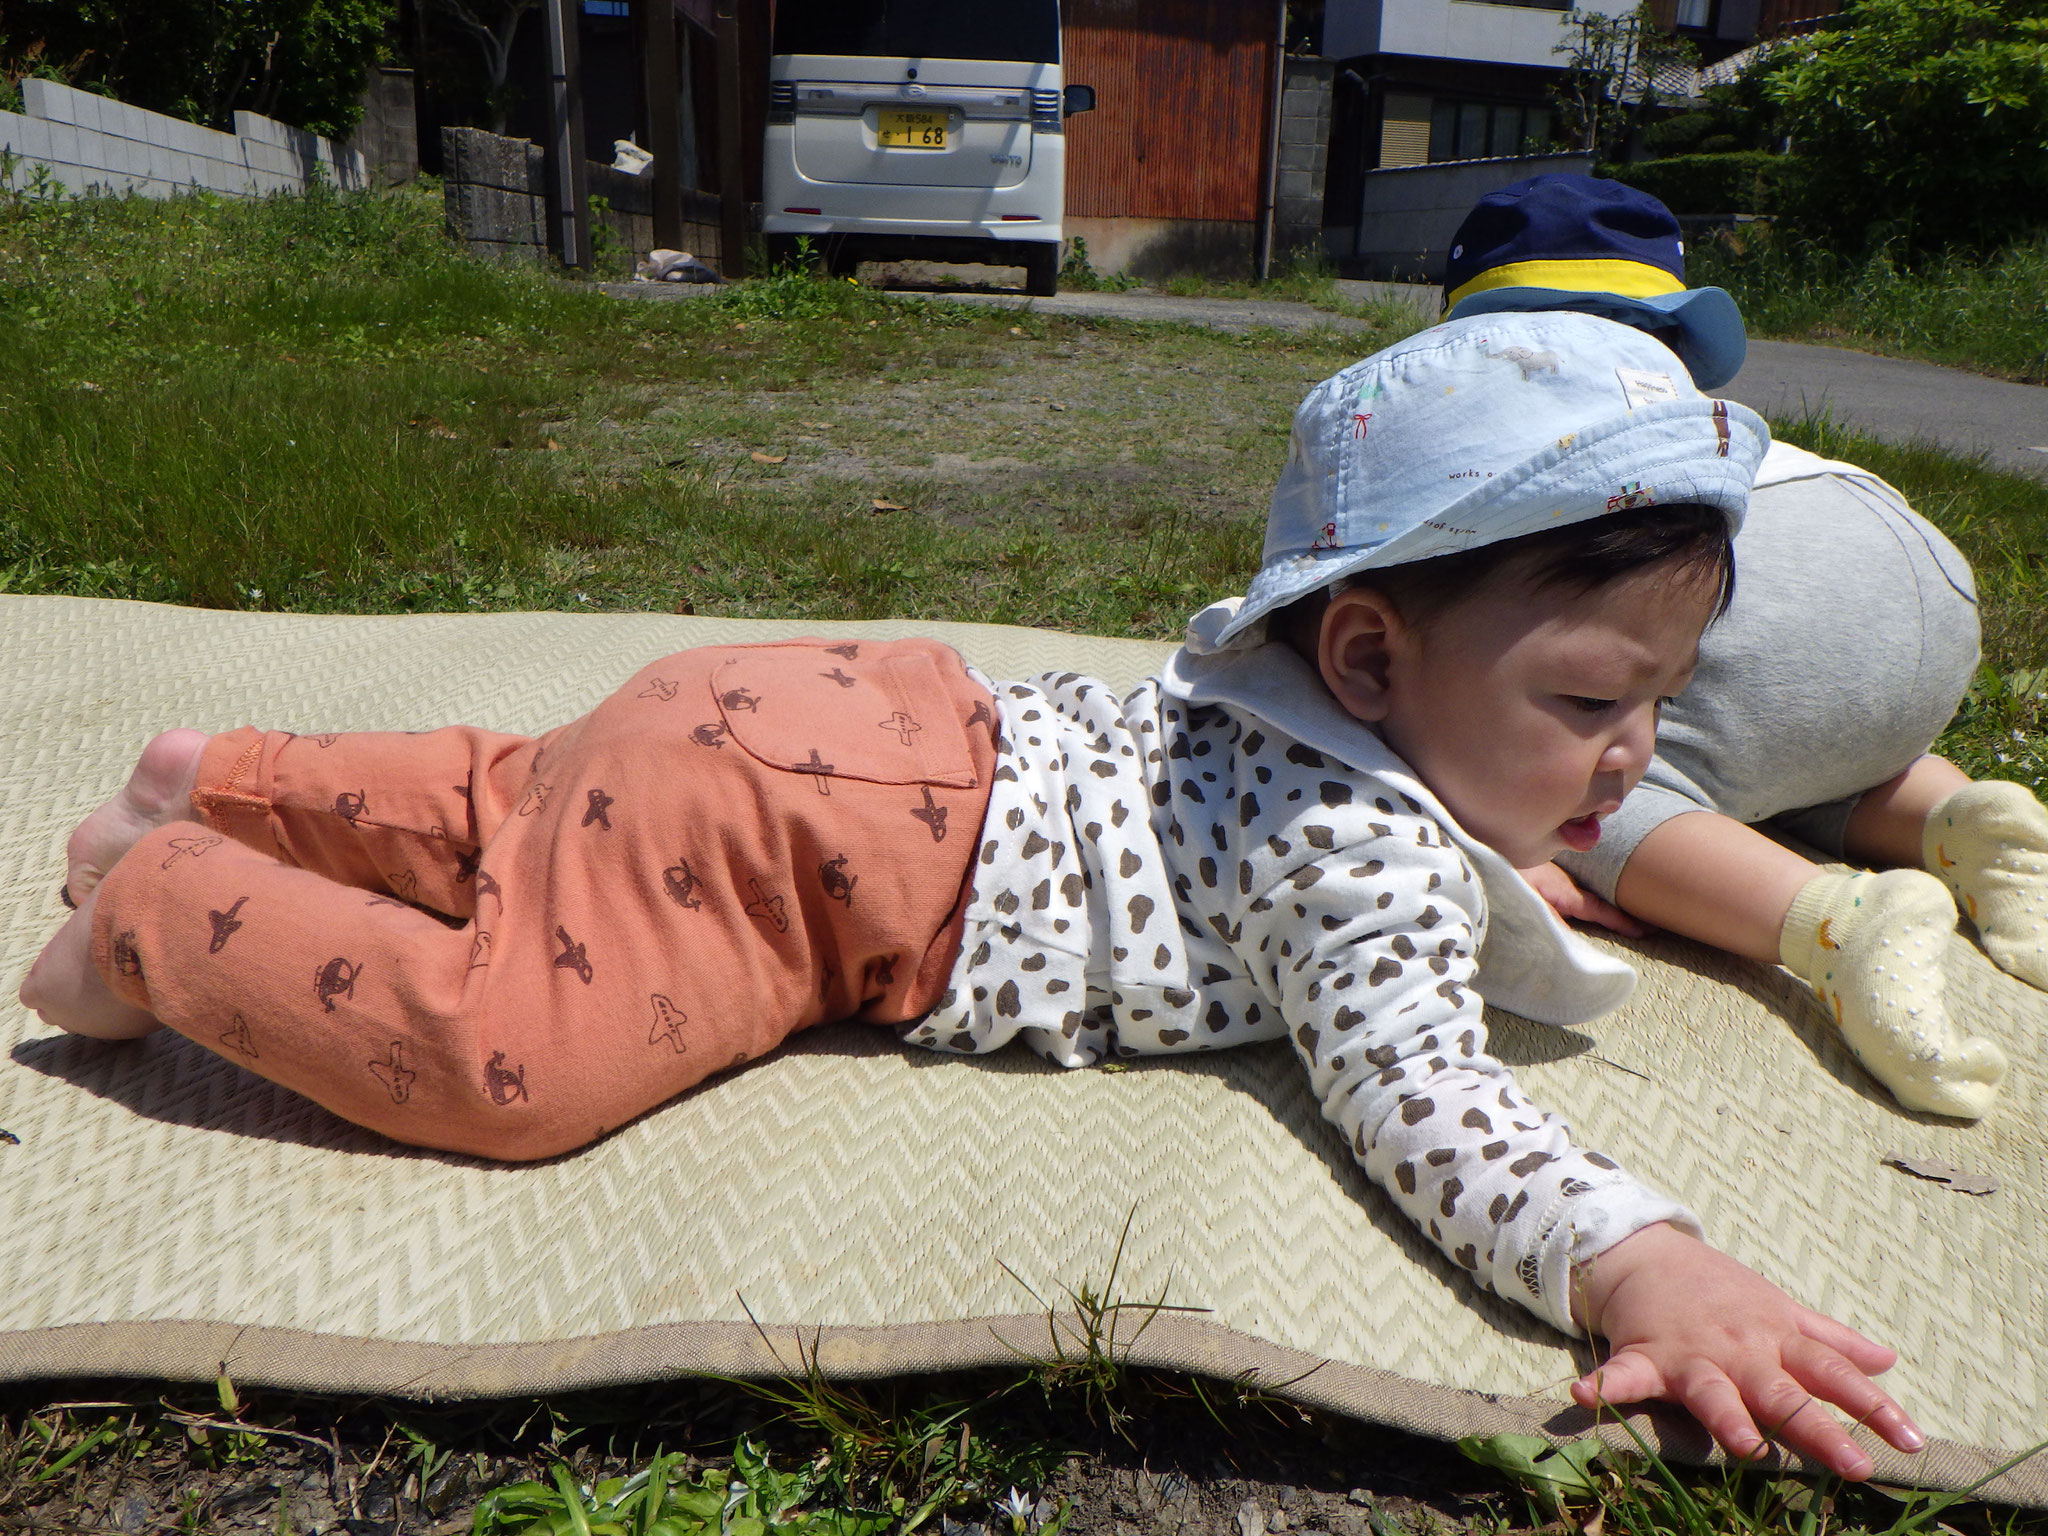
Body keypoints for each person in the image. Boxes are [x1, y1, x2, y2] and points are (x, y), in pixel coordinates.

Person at [21, 311, 1926, 1480]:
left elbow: (1408, 837)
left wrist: (1513, 842)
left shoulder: (1333, 736)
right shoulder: (1356, 853)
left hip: (851, 715)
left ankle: (241, 776)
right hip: (826, 861)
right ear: (1361, 660)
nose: (1628, 760)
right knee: (505, 1048)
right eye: (1591, 706)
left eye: (1657, 705)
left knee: (527, 803)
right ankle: (156, 898)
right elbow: (1429, 1105)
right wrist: (1638, 1257)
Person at [1439, 172, 2028, 1121]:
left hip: (1744, 572)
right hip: (1906, 563)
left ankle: (1829, 922)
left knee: (1576, 766)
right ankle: (1950, 817)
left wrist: (1500, 841)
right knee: (1804, 746)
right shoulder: (1690, 409)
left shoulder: (1494, 436)